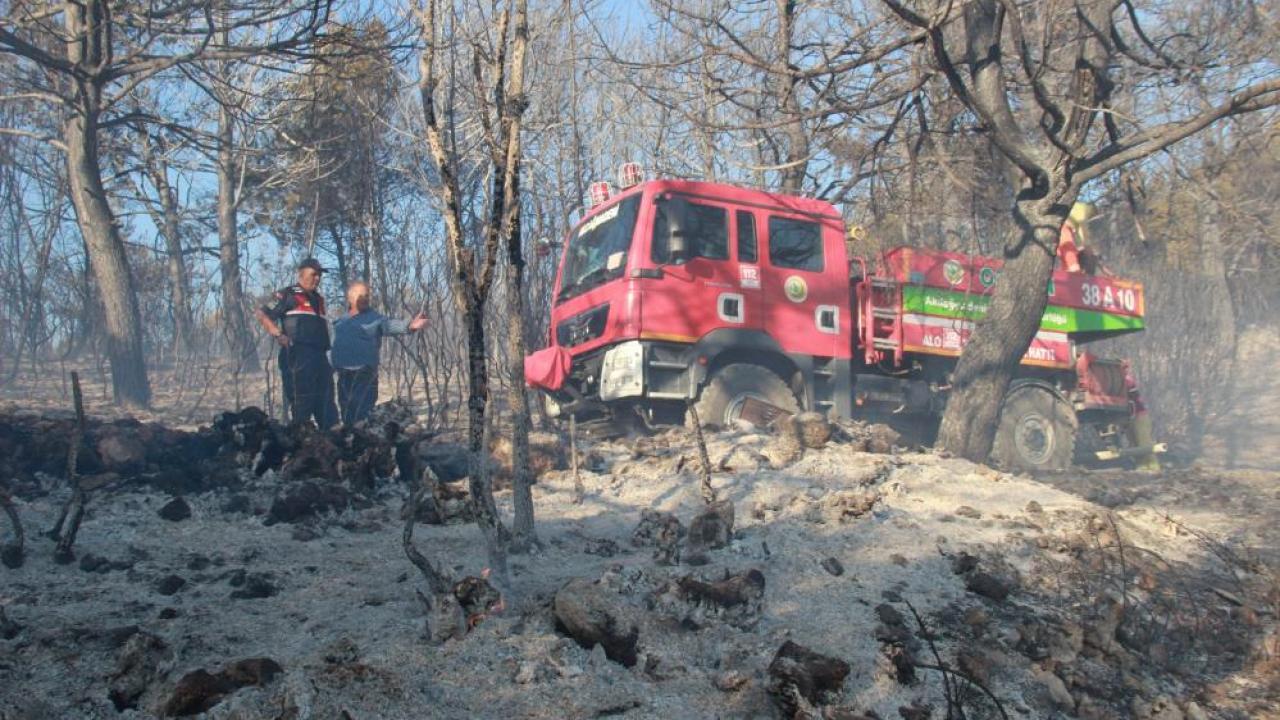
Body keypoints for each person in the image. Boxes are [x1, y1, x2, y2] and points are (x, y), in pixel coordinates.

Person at [255, 258, 339, 428]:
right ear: (301, 274)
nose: (317, 278)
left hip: (320, 358)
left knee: (326, 403)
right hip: (298, 356)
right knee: (302, 404)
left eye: (319, 275)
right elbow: (261, 313)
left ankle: (329, 442)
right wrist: (278, 334)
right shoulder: (288, 294)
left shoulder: (319, 300)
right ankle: (300, 442)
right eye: (313, 274)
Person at [330, 282, 428, 425]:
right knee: (347, 413)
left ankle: (367, 443)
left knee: (363, 415)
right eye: (360, 295)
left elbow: (389, 325)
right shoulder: (340, 322)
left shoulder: (374, 318)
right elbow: (333, 347)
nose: (364, 298)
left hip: (364, 374)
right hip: (344, 375)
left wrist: (409, 325)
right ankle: (352, 442)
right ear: (350, 298)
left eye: (367, 295)